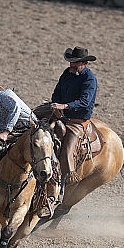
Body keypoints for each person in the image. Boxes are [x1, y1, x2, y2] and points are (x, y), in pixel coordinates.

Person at [43, 46, 98, 216]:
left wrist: (64, 106)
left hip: (77, 120)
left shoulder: (90, 79)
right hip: (60, 114)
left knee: (67, 149)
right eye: (71, 62)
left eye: (75, 63)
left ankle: (63, 185)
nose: (72, 65)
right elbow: (57, 92)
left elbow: (84, 102)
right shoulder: (66, 74)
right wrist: (56, 106)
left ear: (85, 63)